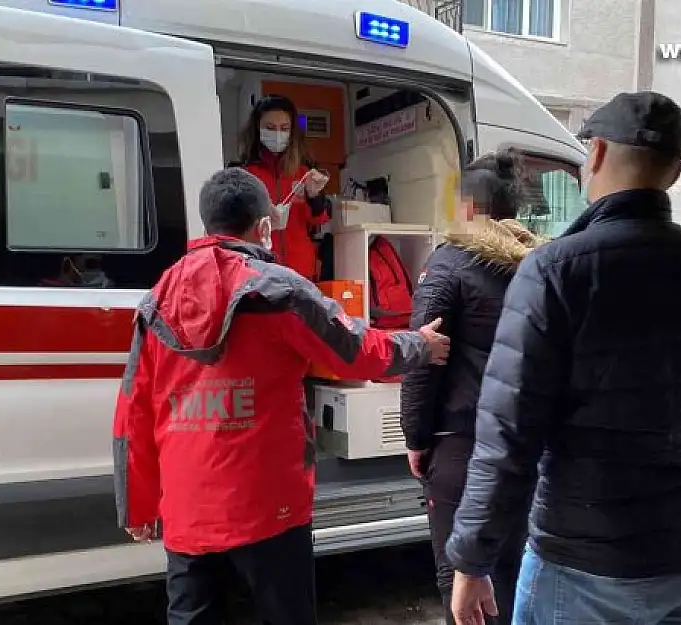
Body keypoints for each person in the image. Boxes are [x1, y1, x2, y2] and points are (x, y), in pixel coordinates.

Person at [444, 91, 681, 625]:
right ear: (675, 172)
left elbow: (508, 434)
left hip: (582, 560)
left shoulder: (555, 270)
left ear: (596, 152)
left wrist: (471, 559)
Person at [112, 167, 451, 625]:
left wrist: (138, 504)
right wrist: (421, 347)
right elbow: (355, 351)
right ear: (263, 225)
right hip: (271, 506)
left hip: (188, 510)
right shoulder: (278, 290)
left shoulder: (157, 300)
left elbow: (133, 410)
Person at [401, 150, 545, 625]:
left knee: (461, 582)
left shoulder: (450, 263)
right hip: (530, 447)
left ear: (465, 208)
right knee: (514, 570)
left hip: (462, 445)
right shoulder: (542, 264)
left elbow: (422, 357)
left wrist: (416, 439)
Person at [238, 94, 331, 281]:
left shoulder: (304, 172)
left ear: (292, 132)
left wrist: (314, 196)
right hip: (261, 271)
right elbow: (233, 226)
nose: (277, 133)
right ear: (257, 129)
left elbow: (319, 220)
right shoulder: (244, 175)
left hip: (301, 271)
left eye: (284, 128)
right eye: (270, 128)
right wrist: (258, 215)